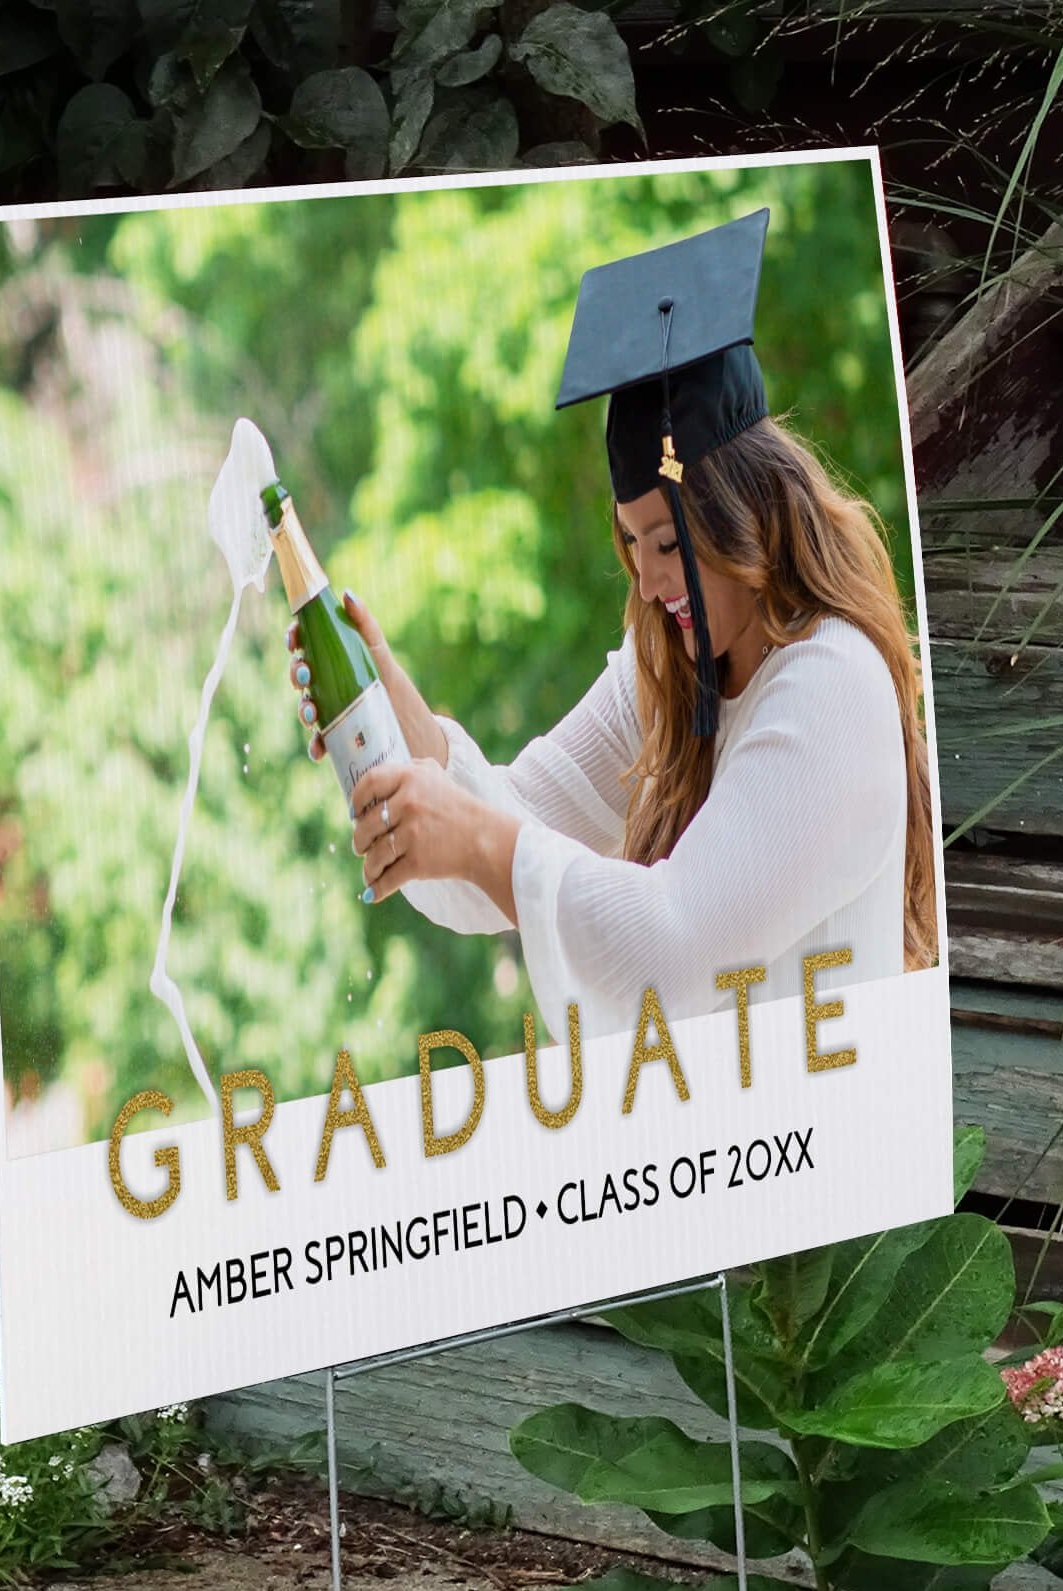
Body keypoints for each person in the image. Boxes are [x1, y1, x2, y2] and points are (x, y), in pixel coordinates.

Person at [284, 209, 938, 1046]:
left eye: (666, 542)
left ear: (744, 514)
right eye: (631, 546)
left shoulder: (830, 686)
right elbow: (506, 828)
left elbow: (671, 951)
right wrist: (380, 700)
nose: (649, 579)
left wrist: (484, 840)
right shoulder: (668, 671)